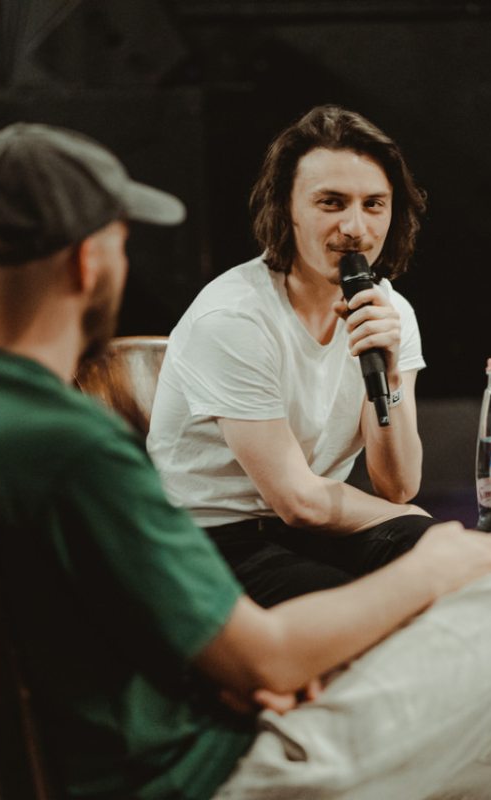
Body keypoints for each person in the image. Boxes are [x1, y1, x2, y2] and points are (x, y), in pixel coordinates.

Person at [0, 122, 491, 799]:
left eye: (373, 205)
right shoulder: (73, 448)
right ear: (88, 260)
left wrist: (225, 672)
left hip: (128, 731)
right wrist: (429, 568)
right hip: (190, 774)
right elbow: (270, 656)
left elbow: (124, 614)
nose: (355, 225)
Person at [148, 105, 434, 606]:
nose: (355, 227)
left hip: (313, 529)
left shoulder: (390, 312)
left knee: (441, 560)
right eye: (331, 203)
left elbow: (398, 485)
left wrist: (389, 378)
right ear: (287, 208)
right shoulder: (235, 317)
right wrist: (417, 524)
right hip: (211, 540)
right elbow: (297, 500)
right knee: (368, 599)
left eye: (374, 204)